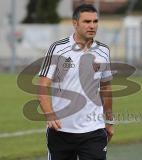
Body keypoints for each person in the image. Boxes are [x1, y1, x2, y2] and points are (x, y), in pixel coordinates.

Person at [38, 3, 114, 160]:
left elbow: (106, 88)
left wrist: (109, 120)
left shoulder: (104, 51)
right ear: (75, 23)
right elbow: (42, 87)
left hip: (94, 130)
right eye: (87, 22)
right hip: (61, 131)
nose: (92, 26)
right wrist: (50, 114)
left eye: (95, 21)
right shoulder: (57, 49)